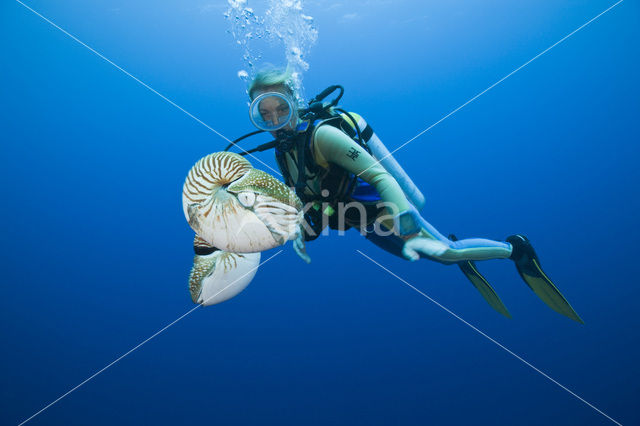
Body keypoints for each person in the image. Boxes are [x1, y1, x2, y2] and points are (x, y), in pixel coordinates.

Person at [197, 65, 582, 322]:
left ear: (293, 101)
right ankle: (456, 250)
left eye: (280, 107)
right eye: (264, 114)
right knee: (431, 257)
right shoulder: (284, 152)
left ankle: (516, 249)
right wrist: (305, 219)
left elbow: (379, 175)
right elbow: (308, 193)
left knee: (445, 256)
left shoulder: (324, 135)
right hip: (362, 224)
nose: (274, 119)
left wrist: (402, 212)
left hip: (382, 212)